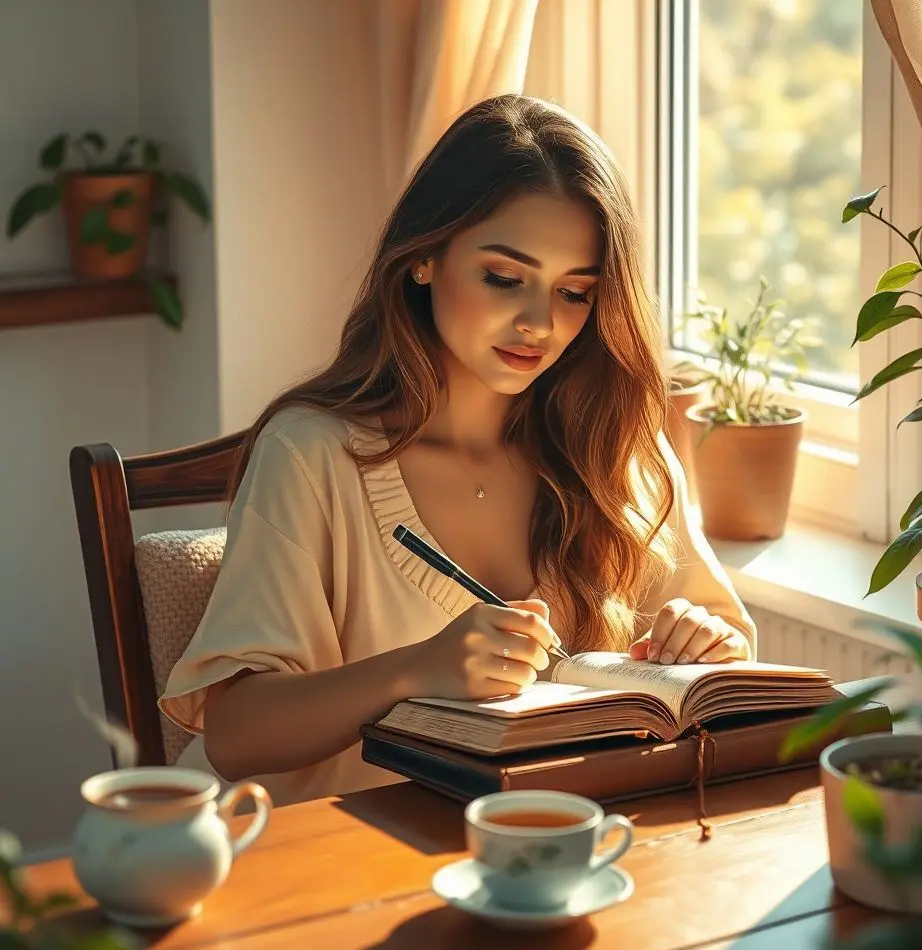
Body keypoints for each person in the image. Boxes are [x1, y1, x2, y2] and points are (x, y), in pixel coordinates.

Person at [160, 94, 755, 807]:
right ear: (424, 260)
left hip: (549, 844)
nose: (539, 323)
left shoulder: (615, 448)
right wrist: (414, 670)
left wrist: (704, 643)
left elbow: (727, 652)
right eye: (505, 279)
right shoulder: (311, 456)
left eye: (574, 293)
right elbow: (235, 733)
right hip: (332, 868)